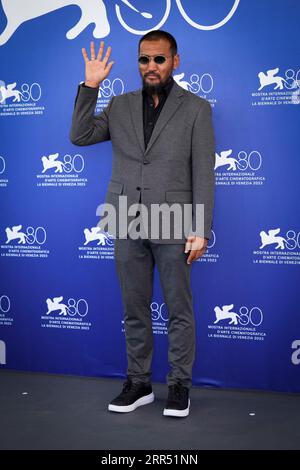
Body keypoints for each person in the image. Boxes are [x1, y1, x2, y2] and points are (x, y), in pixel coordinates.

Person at [70, 30, 215, 418]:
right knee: (134, 309)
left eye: (159, 59)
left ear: (175, 61)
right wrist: (90, 86)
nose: (151, 66)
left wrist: (199, 227)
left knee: (178, 310)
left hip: (174, 222)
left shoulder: (197, 109)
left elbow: (203, 173)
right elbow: (80, 136)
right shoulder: (118, 105)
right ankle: (138, 383)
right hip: (126, 219)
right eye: (144, 59)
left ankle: (179, 386)